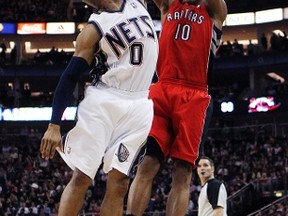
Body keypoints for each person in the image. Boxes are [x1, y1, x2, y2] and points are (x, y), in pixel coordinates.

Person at [39, 0, 159, 215]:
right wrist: (54, 124)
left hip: (140, 103)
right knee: (82, 176)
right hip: (104, 101)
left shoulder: (137, 2)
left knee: (120, 183)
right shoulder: (94, 28)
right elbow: (70, 77)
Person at [126, 0, 227, 215]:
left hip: (194, 95)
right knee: (146, 165)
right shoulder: (168, 5)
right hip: (162, 89)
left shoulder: (214, 11)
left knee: (182, 173)